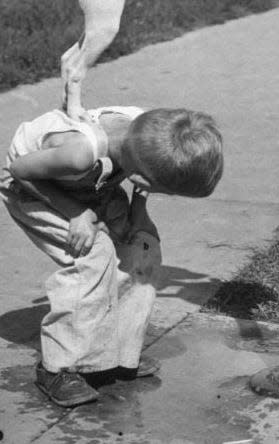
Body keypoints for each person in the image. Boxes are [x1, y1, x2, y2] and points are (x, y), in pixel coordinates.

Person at [1, 105, 223, 408]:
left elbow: (142, 184)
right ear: (143, 177)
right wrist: (77, 213)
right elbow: (19, 171)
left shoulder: (151, 137)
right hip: (33, 187)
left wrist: (139, 214)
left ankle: (117, 353)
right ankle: (58, 367)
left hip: (92, 186)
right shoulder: (80, 151)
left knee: (141, 246)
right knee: (94, 253)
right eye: (162, 190)